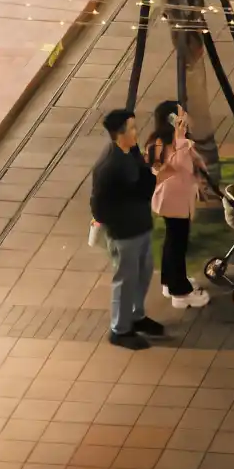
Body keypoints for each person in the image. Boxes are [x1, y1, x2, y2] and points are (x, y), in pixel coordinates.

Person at [91, 109, 162, 350]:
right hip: (125, 233)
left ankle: (136, 316)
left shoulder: (130, 152)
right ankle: (120, 329)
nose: (136, 132)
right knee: (125, 279)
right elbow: (98, 206)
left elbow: (142, 184)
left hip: (141, 225)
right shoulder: (109, 166)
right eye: (131, 128)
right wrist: (117, 224)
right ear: (119, 134)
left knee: (143, 272)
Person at [145, 100, 210, 309]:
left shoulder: (168, 140)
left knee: (173, 241)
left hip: (177, 198)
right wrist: (181, 140)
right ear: (172, 119)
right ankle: (180, 292)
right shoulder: (163, 143)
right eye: (181, 114)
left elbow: (190, 166)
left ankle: (170, 281)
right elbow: (179, 165)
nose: (186, 118)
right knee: (177, 243)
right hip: (173, 200)